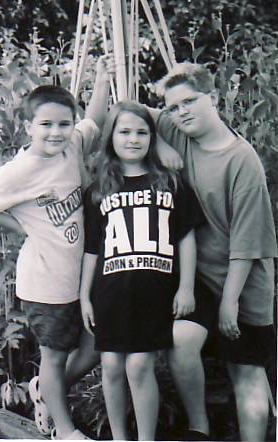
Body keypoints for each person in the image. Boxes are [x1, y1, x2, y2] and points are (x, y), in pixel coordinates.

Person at [150, 62, 278, 442]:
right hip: (197, 278)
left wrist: (230, 303)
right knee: (180, 340)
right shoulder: (177, 131)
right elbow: (131, 115)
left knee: (246, 370)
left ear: (215, 99)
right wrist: (159, 142)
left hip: (242, 283)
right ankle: (199, 429)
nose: (181, 112)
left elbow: (249, 242)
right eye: (173, 107)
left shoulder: (242, 161)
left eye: (190, 101)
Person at [0, 55, 114, 440]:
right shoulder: (19, 171)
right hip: (46, 280)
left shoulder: (71, 148)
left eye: (64, 124)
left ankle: (45, 389)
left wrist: (102, 78)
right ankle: (65, 430)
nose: (56, 132)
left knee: (97, 345)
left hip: (83, 274)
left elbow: (92, 120)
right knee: (54, 354)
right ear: (28, 127)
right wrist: (25, 228)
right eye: (46, 125)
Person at [79, 100, 206, 441]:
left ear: (152, 137)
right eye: (124, 132)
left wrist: (186, 287)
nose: (133, 139)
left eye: (141, 132)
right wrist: (84, 296)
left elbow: (187, 239)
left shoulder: (170, 183)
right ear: (111, 138)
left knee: (139, 366)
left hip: (154, 292)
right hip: (110, 292)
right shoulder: (99, 189)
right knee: (111, 366)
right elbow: (92, 249)